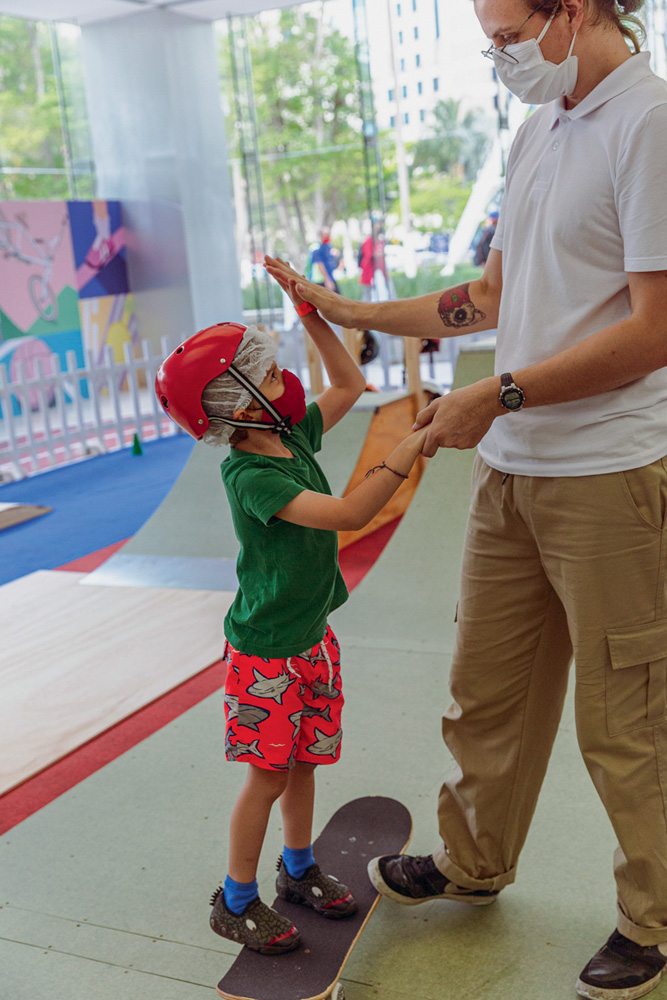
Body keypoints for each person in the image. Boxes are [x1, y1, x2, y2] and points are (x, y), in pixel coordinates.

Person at [261, 0, 667, 993]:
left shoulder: (648, 124)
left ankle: (652, 915)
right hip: (509, 470)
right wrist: (348, 310)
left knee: (624, 718)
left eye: (503, 35)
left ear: (570, 13)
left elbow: (655, 328)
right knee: (484, 692)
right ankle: (472, 861)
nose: (497, 57)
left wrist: (500, 392)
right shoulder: (538, 130)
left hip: (609, 472)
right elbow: (484, 299)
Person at [154, 261, 427, 956]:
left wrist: (310, 314)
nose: (284, 383)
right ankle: (236, 899)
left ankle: (297, 869)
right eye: (269, 377)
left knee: (304, 765)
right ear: (237, 406)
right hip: (267, 654)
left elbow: (349, 384)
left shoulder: (288, 434)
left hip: (310, 638)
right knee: (267, 776)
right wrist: (411, 447)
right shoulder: (251, 474)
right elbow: (345, 512)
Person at [358, 221, 389, 302]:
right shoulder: (369, 241)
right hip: (369, 270)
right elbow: (369, 255)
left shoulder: (379, 240)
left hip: (379, 270)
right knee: (367, 294)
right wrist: (381, 254)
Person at [310, 226, 340, 292]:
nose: (328, 236)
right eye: (326, 234)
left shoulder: (327, 245)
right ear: (320, 235)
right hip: (321, 281)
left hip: (330, 278)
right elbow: (320, 264)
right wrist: (327, 280)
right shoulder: (317, 246)